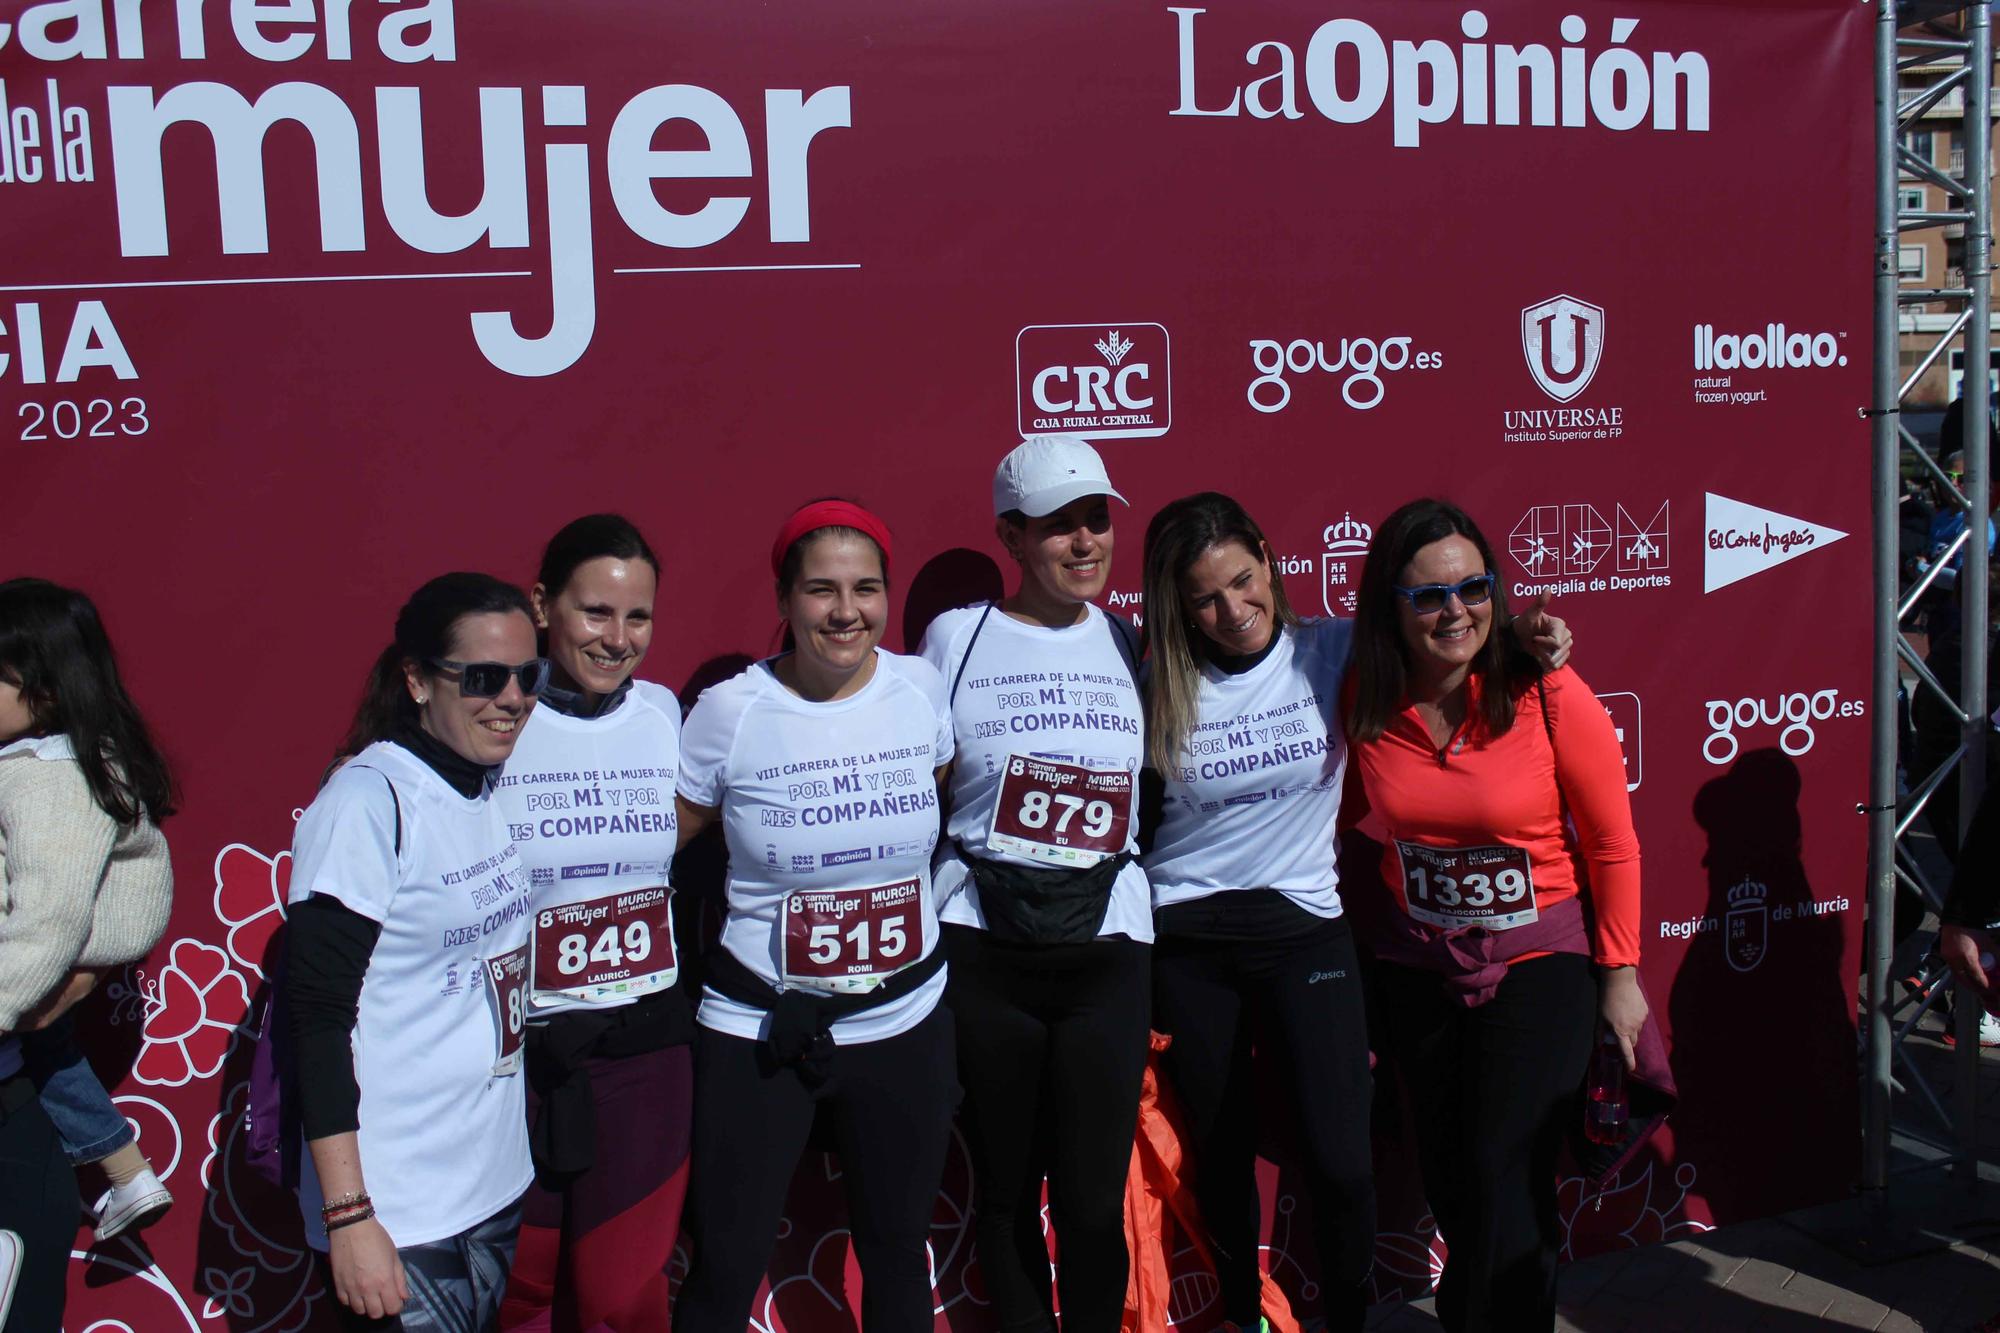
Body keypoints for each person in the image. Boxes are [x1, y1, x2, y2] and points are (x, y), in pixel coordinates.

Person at [1138, 494, 1570, 1331]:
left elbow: (1446, 644)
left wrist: (1525, 639)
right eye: (1204, 597)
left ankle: (1345, 1318)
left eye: (1241, 579)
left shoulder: (1333, 650)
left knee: (1342, 1163)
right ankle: (1244, 1317)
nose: (1232, 609)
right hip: (1187, 943)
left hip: (1307, 931)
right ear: (1178, 605)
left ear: (1268, 557)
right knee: (1220, 1161)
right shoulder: (1156, 685)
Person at [1342, 499, 1643, 1333]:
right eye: (1429, 596)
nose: (1456, 611)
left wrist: (1619, 972)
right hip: (1417, 967)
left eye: (1474, 588)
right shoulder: (1361, 692)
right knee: (1451, 1179)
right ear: (1389, 607)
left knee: (1504, 1172)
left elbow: (1613, 843)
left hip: (1539, 966)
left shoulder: (1545, 689)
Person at [672, 500, 958, 1333]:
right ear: (785, 597)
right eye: (821, 590)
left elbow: (938, 790)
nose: (846, 612)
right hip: (759, 1025)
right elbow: (662, 846)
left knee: (899, 1253)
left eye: (866, 589)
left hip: (905, 1020)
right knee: (725, 1262)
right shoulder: (730, 710)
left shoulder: (920, 686)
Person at [918, 436, 1150, 1333]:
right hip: (985, 942)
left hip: (1106, 949)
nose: (1085, 541)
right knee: (1008, 1195)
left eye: (1095, 519)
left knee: (1093, 1205)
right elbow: (915, 773)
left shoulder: (1131, 641)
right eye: (1058, 526)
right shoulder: (956, 636)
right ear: (1012, 538)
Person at [284, 572, 545, 1331]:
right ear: (417, 679)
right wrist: (350, 1217)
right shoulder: (366, 803)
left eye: (529, 675)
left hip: (491, 1179)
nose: (512, 698)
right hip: (399, 1206)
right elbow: (318, 1022)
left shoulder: (491, 778)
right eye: (484, 677)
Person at [497, 515, 693, 1333]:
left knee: (620, 1300)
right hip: (513, 1062)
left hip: (640, 1055)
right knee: (522, 1294)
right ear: (543, 604)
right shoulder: (494, 716)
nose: (618, 639)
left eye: (637, 617)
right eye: (595, 613)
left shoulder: (666, 714)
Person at [0, 578, 176, 1332]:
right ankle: (121, 1166)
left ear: (38, 688)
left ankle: (122, 1165)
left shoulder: (47, 779)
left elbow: (47, 919)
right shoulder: (48, 764)